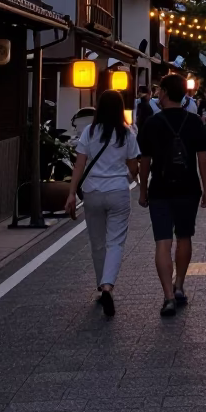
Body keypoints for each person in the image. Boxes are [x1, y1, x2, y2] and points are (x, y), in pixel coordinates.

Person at [138, 72, 206, 317]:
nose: (157, 93)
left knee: (162, 241)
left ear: (166, 93)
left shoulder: (152, 123)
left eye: (159, 90)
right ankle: (179, 285)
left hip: (160, 188)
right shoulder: (194, 122)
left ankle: (168, 296)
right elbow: (203, 158)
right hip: (188, 188)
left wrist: (142, 190)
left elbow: (145, 161)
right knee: (184, 236)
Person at [64, 89, 139, 318]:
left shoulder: (89, 131)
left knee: (97, 243)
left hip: (92, 192)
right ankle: (108, 286)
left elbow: (79, 165)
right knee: (115, 242)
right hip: (118, 191)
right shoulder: (127, 133)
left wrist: (71, 193)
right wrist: (128, 178)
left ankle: (101, 285)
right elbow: (134, 166)